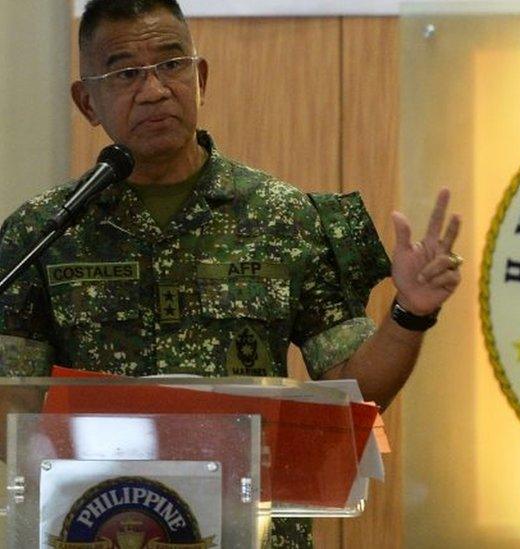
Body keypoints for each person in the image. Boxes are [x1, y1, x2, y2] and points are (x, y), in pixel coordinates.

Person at [0, 0, 461, 547]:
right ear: (87, 102)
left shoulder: (284, 217)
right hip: (100, 527)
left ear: (200, 77)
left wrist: (410, 312)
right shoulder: (42, 233)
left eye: (171, 65)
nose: (153, 90)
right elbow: (15, 418)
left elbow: (356, 395)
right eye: (125, 73)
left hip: (255, 532)